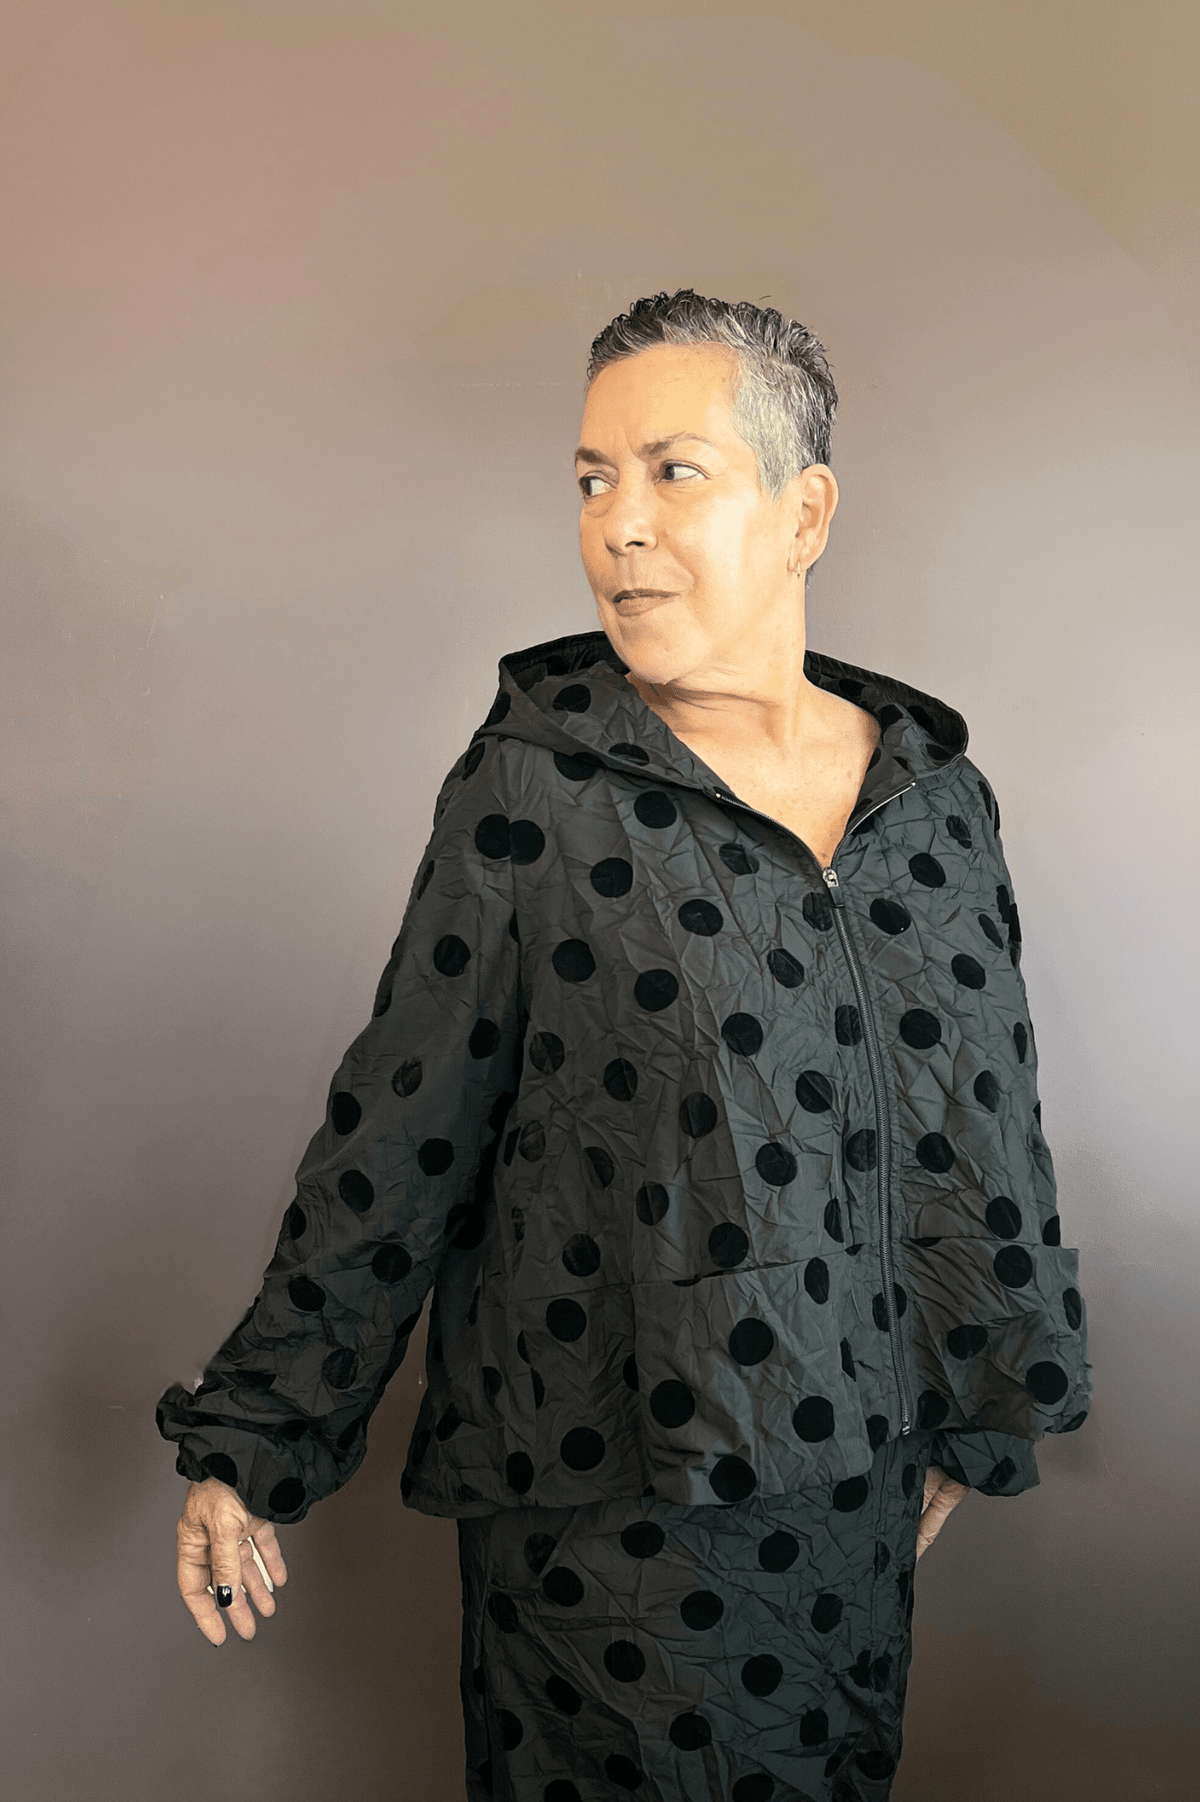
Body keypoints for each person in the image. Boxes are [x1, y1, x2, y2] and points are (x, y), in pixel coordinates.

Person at [157, 289, 1091, 1802]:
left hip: (850, 1493)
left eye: (673, 472)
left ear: (805, 514)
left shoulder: (934, 805)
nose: (620, 526)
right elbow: (403, 1130)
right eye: (593, 480)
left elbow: (983, 1105)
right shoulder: (539, 788)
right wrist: (255, 1434)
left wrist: (983, 1392)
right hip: (605, 1502)